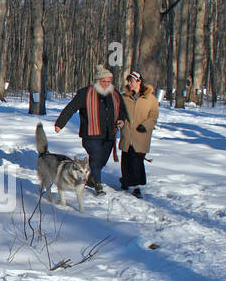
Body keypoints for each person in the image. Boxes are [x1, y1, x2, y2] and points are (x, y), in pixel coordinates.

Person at [54, 64, 128, 193]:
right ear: (97, 81)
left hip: (109, 134)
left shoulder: (115, 93)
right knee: (96, 157)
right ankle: (98, 185)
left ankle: (91, 178)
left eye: (109, 81)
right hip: (91, 134)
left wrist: (121, 119)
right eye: (103, 81)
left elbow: (123, 110)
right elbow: (70, 108)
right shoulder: (85, 93)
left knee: (102, 160)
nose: (106, 84)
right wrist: (60, 123)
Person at [120, 69, 158, 197]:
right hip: (127, 134)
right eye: (128, 81)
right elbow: (120, 113)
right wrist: (121, 122)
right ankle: (126, 180)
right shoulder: (124, 97)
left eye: (131, 81)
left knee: (137, 161)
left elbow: (153, 116)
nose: (129, 83)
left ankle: (136, 187)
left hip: (141, 135)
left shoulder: (150, 98)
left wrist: (145, 125)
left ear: (139, 81)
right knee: (126, 160)